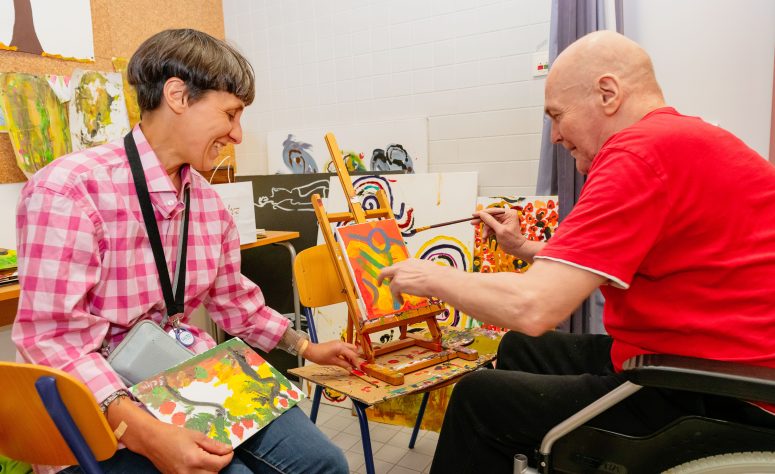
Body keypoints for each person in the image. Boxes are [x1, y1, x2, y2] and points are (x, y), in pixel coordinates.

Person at [378, 30, 775, 472]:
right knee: (519, 348)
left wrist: (430, 276)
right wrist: (523, 247)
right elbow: (608, 258)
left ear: (607, 93)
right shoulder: (684, 140)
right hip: (704, 359)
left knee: (478, 398)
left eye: (557, 115)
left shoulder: (637, 154)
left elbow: (534, 306)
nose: (554, 137)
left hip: (720, 391)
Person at [12, 29, 357, 474]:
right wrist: (146, 433)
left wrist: (307, 347)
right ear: (177, 94)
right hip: (102, 393)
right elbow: (53, 342)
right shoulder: (69, 191)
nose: (237, 134)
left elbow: (236, 302)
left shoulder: (210, 205)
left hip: (182, 371)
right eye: (230, 114)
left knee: (325, 463)